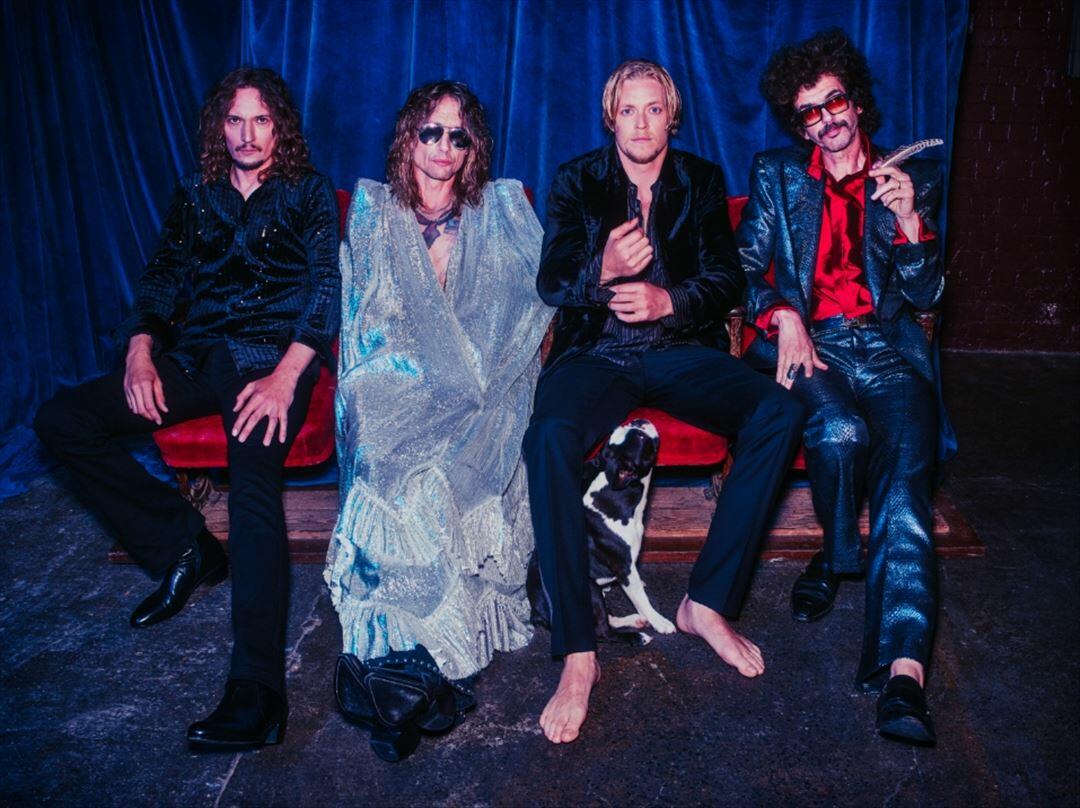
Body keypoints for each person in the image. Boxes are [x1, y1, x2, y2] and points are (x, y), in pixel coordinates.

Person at [33, 67, 340, 751]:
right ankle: (185, 546)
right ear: (218, 127)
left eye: (261, 120)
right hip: (199, 357)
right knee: (62, 420)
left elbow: (325, 290)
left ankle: (258, 693)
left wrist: (287, 378)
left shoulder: (308, 191)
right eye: (235, 120)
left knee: (253, 489)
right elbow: (163, 278)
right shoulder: (195, 192)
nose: (247, 134)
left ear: (280, 127)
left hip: (270, 361)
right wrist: (140, 348)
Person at [523, 59, 804, 744]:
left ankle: (706, 603)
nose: (642, 123)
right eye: (629, 110)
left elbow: (725, 280)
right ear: (610, 118)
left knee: (780, 410)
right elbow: (552, 280)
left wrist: (667, 301)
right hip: (597, 353)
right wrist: (604, 270)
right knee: (547, 437)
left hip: (678, 348)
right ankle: (579, 650)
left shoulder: (700, 181)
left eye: (654, 109)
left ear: (671, 116)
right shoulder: (577, 180)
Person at [739, 29, 948, 744]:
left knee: (906, 482)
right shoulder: (777, 175)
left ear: (856, 102)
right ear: (798, 124)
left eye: (834, 102)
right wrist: (784, 316)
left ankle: (903, 675)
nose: (826, 119)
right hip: (814, 341)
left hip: (887, 351)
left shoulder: (911, 179)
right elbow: (747, 268)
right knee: (838, 430)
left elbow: (927, 295)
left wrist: (910, 222)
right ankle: (836, 555)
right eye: (809, 112)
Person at [325, 81, 551, 687]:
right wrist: (417, 375)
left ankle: (441, 637)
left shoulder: (500, 210)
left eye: (458, 136)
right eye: (431, 132)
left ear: (473, 147)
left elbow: (538, 300)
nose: (443, 146)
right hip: (397, 381)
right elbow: (363, 319)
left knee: (464, 458)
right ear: (409, 138)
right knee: (380, 448)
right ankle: (393, 631)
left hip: (481, 385)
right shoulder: (375, 211)